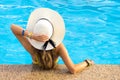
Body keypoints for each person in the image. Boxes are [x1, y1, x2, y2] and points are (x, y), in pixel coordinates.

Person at [11, 8, 94, 74]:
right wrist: (86, 62)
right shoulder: (58, 46)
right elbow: (73, 69)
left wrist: (31, 36)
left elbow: (13, 27)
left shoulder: (31, 47)